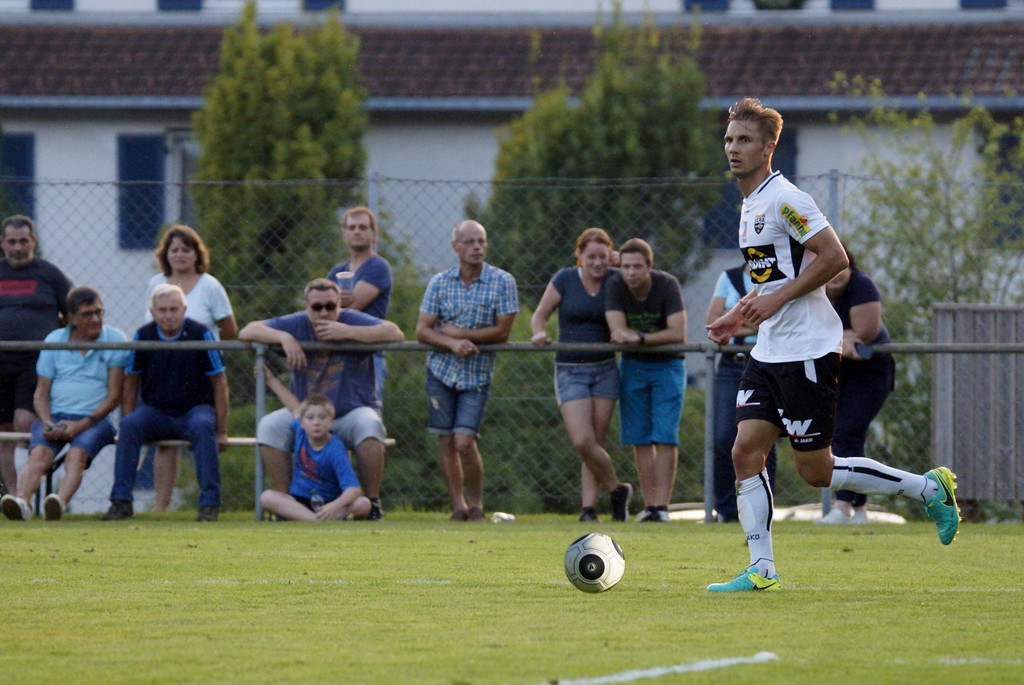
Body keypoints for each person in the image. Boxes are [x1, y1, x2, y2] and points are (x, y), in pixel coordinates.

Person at [705, 97, 960, 592]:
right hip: (769, 350)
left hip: (807, 349)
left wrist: (776, 301)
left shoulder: (786, 199)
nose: (733, 149)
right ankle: (762, 568)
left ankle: (928, 488)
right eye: (729, 140)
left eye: (744, 140)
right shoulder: (750, 203)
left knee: (816, 472)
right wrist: (740, 313)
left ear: (769, 146)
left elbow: (835, 257)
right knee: (743, 450)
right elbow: (771, 277)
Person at [240, 278, 403, 521]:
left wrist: (347, 331)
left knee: (369, 424)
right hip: (307, 414)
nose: (324, 313)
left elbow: (395, 333)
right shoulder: (296, 323)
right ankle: (289, 502)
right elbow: (247, 331)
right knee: (269, 425)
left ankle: (373, 503)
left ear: (340, 305)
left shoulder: (351, 320)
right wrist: (284, 337)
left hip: (350, 412)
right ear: (306, 307)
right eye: (317, 308)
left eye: (331, 306)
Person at [415, 220, 518, 522]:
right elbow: (423, 330)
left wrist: (461, 333)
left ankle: (477, 504)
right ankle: (458, 506)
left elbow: (502, 332)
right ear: (455, 247)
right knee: (445, 441)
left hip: (476, 374)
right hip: (441, 370)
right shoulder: (439, 282)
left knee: (464, 441)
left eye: (481, 241)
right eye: (470, 242)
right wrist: (450, 342)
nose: (477, 247)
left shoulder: (502, 281)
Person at [102, 284, 230, 522]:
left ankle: (209, 505)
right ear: (152, 311)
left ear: (184, 309)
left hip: (195, 411)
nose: (169, 315)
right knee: (130, 425)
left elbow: (220, 383)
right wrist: (128, 418)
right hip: (156, 413)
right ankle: (121, 503)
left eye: (174, 309)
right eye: (162, 310)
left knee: (203, 427)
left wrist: (222, 430)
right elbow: (131, 382)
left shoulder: (200, 334)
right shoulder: (143, 335)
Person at [531, 227, 633, 522]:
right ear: (579, 256)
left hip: (604, 367)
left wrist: (619, 259)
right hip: (569, 369)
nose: (597, 263)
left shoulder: (615, 280)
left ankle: (589, 509)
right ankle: (617, 489)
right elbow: (541, 314)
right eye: (591, 257)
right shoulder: (565, 279)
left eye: (603, 257)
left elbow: (645, 275)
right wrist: (539, 332)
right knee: (582, 441)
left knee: (596, 442)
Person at [1, 287, 128, 520]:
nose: (96, 319)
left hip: (95, 420)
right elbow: (41, 393)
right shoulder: (54, 341)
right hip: (56, 415)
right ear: (71, 318)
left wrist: (81, 425)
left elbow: (114, 396)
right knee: (39, 453)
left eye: (99, 312)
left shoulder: (115, 339)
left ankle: (57, 503)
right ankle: (21, 502)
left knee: (76, 455)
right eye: (88, 314)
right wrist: (48, 421)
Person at [143, 224, 237, 512]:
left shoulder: (210, 285)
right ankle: (161, 507)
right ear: (165, 254)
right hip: (161, 373)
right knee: (164, 443)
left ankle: (207, 502)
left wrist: (210, 352)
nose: (181, 255)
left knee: (200, 431)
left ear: (197, 254)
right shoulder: (156, 283)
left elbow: (229, 328)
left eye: (187, 249)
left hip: (199, 375)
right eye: (175, 250)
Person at [605, 238, 687, 523]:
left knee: (665, 436)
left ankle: (662, 508)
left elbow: (678, 332)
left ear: (649, 267)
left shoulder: (667, 285)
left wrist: (640, 338)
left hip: (668, 366)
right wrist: (637, 340)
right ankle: (649, 505)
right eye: (626, 266)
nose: (631, 272)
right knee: (639, 437)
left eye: (638, 266)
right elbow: (617, 331)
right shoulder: (615, 285)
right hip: (633, 366)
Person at [818, 245, 896, 524]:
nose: (837, 275)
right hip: (838, 371)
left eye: (843, 268)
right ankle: (860, 509)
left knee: (847, 433)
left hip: (870, 371)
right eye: (831, 270)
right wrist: (842, 337)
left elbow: (866, 334)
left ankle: (842, 507)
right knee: (848, 436)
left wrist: (837, 337)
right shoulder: (813, 292)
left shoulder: (863, 286)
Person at [0, 215, 72, 493]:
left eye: (23, 241)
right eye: (12, 242)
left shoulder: (49, 274)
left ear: (33, 242)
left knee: (24, 422)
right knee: (4, 434)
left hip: (36, 362)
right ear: (3, 243)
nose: (18, 247)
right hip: (1, 362)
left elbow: (74, 313)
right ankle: (14, 497)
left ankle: (28, 490)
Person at [705, 264, 777, 523]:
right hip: (731, 365)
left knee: (764, 439)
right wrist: (755, 322)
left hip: (767, 363)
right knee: (724, 437)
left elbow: (776, 318)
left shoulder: (778, 272)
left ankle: (762, 510)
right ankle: (726, 509)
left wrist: (737, 319)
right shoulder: (730, 276)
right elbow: (715, 318)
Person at [258, 369, 372, 522]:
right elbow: (292, 403)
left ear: (331, 421)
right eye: (310, 418)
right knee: (267, 497)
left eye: (322, 417)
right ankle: (315, 519)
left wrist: (335, 506)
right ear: (302, 423)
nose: (316, 422)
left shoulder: (335, 448)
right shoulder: (300, 432)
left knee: (363, 504)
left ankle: (314, 517)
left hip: (330, 503)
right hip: (300, 501)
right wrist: (271, 379)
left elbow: (353, 489)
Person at [326, 206, 393, 421]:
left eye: (363, 227)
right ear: (344, 233)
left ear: (374, 234)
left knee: (368, 422)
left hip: (367, 357)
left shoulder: (378, 267)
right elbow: (318, 306)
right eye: (351, 227)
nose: (357, 231)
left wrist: (335, 304)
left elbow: (351, 307)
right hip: (336, 356)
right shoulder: (337, 270)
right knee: (334, 421)